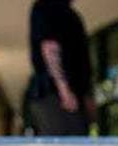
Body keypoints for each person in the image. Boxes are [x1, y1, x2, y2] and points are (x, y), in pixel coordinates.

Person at [27, 0, 95, 136]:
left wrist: (86, 96)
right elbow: (50, 47)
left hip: (70, 96)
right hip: (56, 96)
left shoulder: (70, 14)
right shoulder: (47, 7)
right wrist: (63, 89)